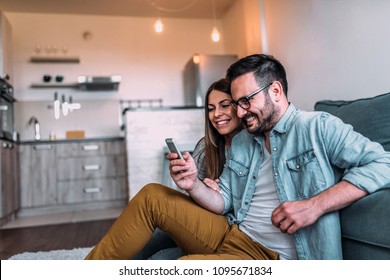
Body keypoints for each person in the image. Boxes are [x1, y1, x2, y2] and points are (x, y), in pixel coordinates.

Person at [86, 54, 390, 260]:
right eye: (237, 103)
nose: (239, 112)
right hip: (233, 231)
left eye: (246, 101)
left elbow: (383, 163)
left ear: (275, 91)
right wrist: (193, 184)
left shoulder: (318, 127)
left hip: (271, 255)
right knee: (153, 194)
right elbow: (225, 200)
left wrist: (314, 206)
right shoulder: (245, 139)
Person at [123, 77, 243, 260]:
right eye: (211, 109)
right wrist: (198, 187)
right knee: (142, 244)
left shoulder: (252, 147)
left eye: (224, 105)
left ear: (239, 107)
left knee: (160, 258)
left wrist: (221, 195)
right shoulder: (206, 147)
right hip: (201, 220)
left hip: (226, 232)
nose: (217, 114)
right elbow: (192, 199)